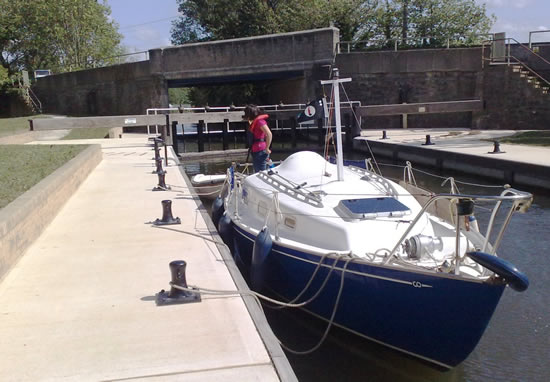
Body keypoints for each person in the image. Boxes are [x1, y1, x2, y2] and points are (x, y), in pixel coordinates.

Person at [243, 104, 272, 172]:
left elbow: (269, 134)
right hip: (255, 150)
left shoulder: (260, 121)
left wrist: (267, 148)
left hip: (260, 151)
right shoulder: (254, 122)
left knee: (261, 172)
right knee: (258, 171)